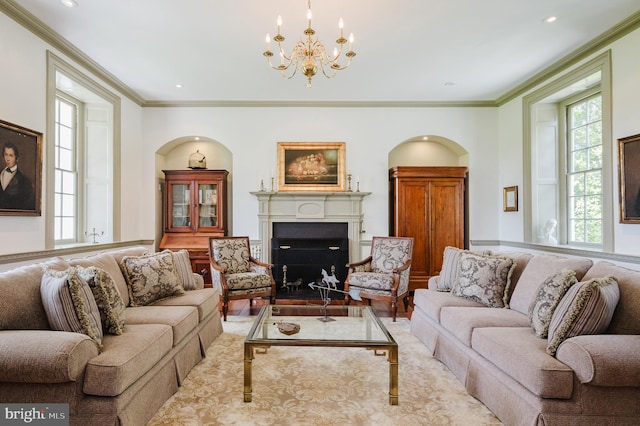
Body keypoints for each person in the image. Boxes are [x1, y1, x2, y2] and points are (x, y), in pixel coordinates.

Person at [0, 142, 34, 210]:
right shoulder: (1, 173)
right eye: (6, 155)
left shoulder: (25, 181)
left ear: (17, 158)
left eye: (11, 155)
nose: (8, 159)